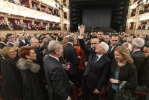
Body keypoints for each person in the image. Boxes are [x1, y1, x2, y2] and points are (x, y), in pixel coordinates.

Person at [79, 25, 111, 100]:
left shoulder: (107, 60)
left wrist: (98, 88)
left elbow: (104, 75)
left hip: (95, 84)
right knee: (85, 97)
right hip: (86, 80)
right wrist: (81, 35)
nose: (96, 47)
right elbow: (83, 47)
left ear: (104, 50)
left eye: (99, 47)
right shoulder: (92, 52)